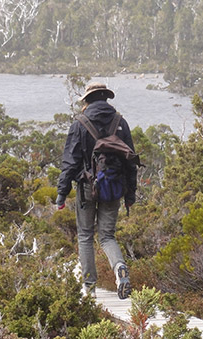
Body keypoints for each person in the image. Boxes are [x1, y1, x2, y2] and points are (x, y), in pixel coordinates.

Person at [55, 82, 138, 299]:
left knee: (84, 235)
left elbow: (70, 163)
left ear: (88, 100)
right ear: (106, 99)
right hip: (114, 186)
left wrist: (61, 194)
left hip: (86, 188)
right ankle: (120, 268)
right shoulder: (121, 123)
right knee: (107, 236)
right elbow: (131, 161)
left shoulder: (80, 124)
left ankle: (90, 288)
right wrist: (130, 195)